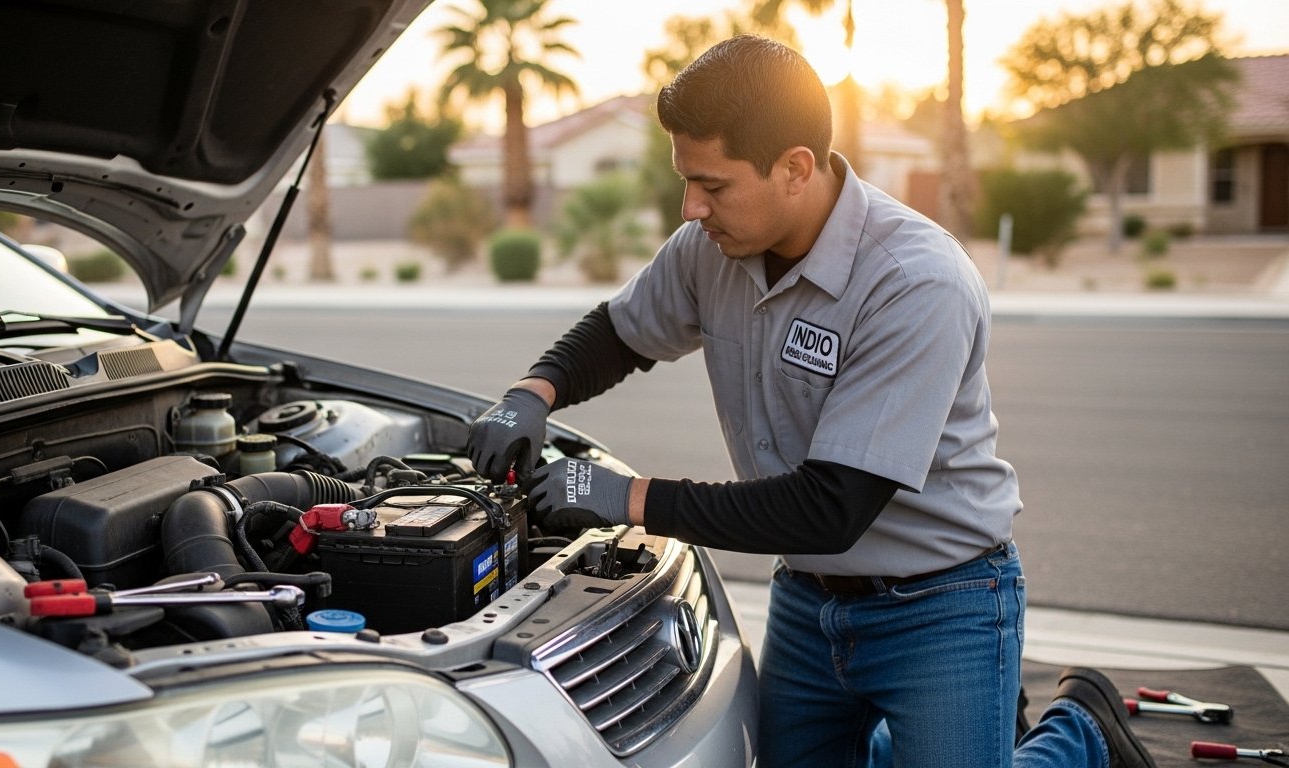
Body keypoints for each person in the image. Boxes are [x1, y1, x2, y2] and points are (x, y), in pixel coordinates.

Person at [466, 34, 1156, 768]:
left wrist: (623, 497)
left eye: (712, 185)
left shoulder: (914, 282)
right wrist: (531, 393)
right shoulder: (711, 248)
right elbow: (620, 332)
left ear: (795, 168)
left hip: (941, 604)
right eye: (686, 181)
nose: (691, 207)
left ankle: (1079, 732)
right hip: (807, 598)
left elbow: (832, 506)